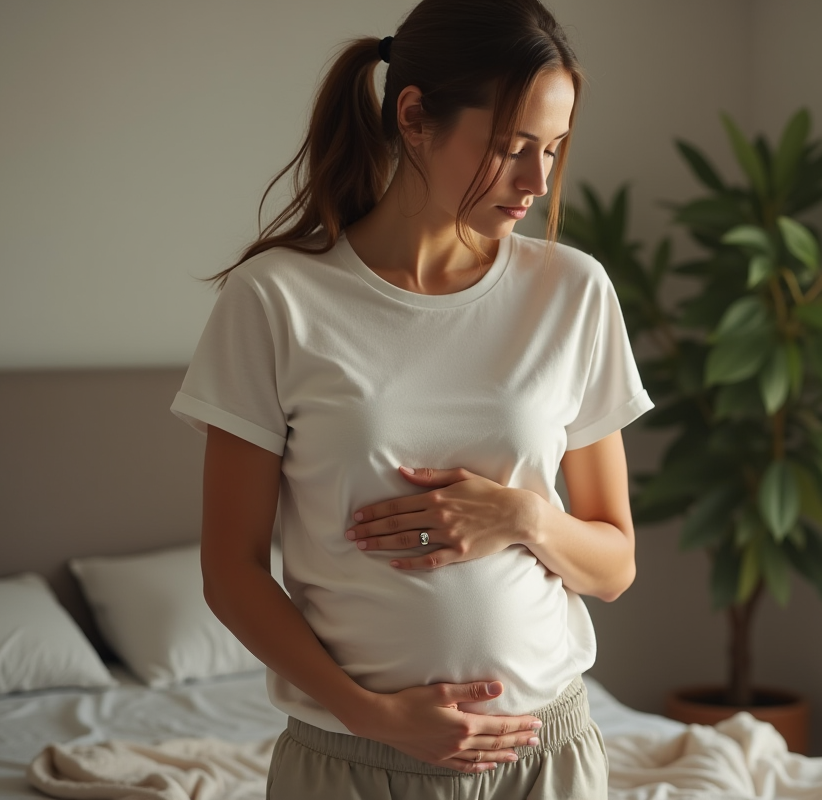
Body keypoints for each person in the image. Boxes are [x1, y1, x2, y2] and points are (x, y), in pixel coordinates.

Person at [170, 0, 653, 796]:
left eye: (552, 149)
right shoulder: (276, 299)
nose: (536, 182)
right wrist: (369, 715)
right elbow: (231, 572)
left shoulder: (573, 292)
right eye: (510, 148)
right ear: (415, 117)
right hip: (351, 764)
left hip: (546, 760)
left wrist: (522, 517)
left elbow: (614, 567)